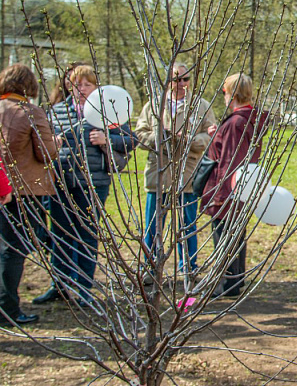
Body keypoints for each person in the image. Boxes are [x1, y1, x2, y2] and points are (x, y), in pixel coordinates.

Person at [33, 65, 136, 306]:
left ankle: (84, 288)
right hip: (61, 181)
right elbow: (41, 143)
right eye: (76, 84)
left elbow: (131, 140)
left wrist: (107, 139)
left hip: (94, 182)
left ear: (96, 87)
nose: (81, 89)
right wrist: (51, 143)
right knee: (60, 233)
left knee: (86, 234)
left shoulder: (108, 111)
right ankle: (58, 285)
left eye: (86, 84)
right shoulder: (57, 111)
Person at [136, 63, 215, 279]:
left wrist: (188, 140)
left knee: (187, 224)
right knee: (153, 225)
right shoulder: (154, 105)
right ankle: (150, 269)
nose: (181, 84)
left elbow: (210, 138)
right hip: (159, 174)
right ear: (168, 81)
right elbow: (140, 134)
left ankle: (188, 267)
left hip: (187, 174)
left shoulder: (201, 106)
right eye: (176, 79)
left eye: (185, 79)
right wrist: (161, 138)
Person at [0, 64, 59, 326]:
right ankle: (9, 310)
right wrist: (56, 143)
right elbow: (45, 153)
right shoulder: (30, 112)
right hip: (23, 190)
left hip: (5, 186)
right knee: (13, 250)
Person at [201, 73, 267, 297]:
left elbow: (230, 160)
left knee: (224, 236)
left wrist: (222, 195)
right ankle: (234, 281)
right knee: (236, 234)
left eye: (225, 93)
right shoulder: (249, 119)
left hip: (230, 189)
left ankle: (224, 285)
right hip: (243, 186)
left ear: (232, 94)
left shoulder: (237, 122)